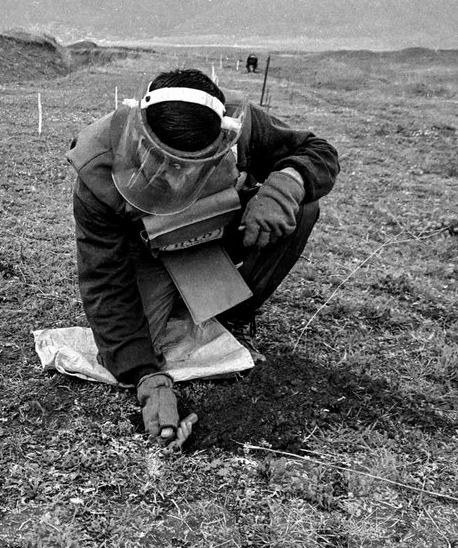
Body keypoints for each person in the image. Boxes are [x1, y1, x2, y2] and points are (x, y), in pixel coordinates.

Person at [67, 68, 339, 445]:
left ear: (221, 140)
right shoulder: (97, 167)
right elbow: (104, 281)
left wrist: (285, 185)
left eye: (191, 166)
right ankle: (177, 309)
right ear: (139, 135)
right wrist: (145, 376)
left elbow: (318, 151)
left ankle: (231, 316)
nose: (177, 182)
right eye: (164, 163)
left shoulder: (240, 125)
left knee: (302, 209)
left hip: (214, 234)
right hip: (147, 251)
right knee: (134, 348)